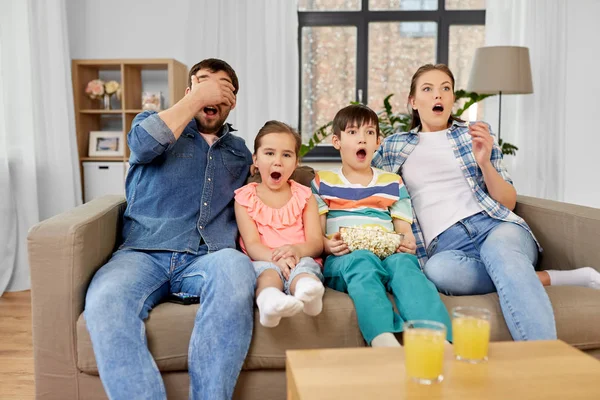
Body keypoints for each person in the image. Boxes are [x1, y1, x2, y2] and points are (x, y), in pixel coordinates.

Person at [84, 59, 255, 400]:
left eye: (222, 88)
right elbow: (144, 145)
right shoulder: (151, 124)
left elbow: (263, 198)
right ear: (189, 91)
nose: (211, 91)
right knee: (105, 298)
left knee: (237, 269)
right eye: (203, 83)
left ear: (232, 100)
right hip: (143, 253)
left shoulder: (239, 151)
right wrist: (197, 97)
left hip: (208, 257)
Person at [372, 63, 559, 341]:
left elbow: (507, 202)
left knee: (502, 254)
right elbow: (367, 187)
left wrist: (484, 163)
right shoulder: (394, 146)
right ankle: (527, 275)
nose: (438, 95)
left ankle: (543, 360)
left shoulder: (474, 134)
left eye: (445, 89)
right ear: (413, 101)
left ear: (452, 99)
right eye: (428, 89)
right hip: (444, 245)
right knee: (438, 271)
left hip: (495, 226)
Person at [312, 104, 452, 347]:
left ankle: (438, 338)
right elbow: (317, 232)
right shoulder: (323, 182)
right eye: (353, 133)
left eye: (368, 133)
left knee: (406, 267)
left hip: (388, 253)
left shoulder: (392, 182)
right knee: (362, 262)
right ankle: (382, 337)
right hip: (346, 257)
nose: (361, 139)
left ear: (378, 142)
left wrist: (406, 242)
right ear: (337, 141)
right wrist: (326, 245)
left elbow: (403, 229)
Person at [234, 121, 325, 328]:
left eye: (286, 155)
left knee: (305, 270)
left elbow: (315, 242)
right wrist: (275, 259)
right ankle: (270, 302)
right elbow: (252, 244)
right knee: (267, 275)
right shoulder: (244, 198)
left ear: (296, 162)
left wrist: (294, 250)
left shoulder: (305, 195)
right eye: (269, 153)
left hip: (299, 258)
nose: (278, 162)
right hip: (264, 259)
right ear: (255, 159)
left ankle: (308, 293)